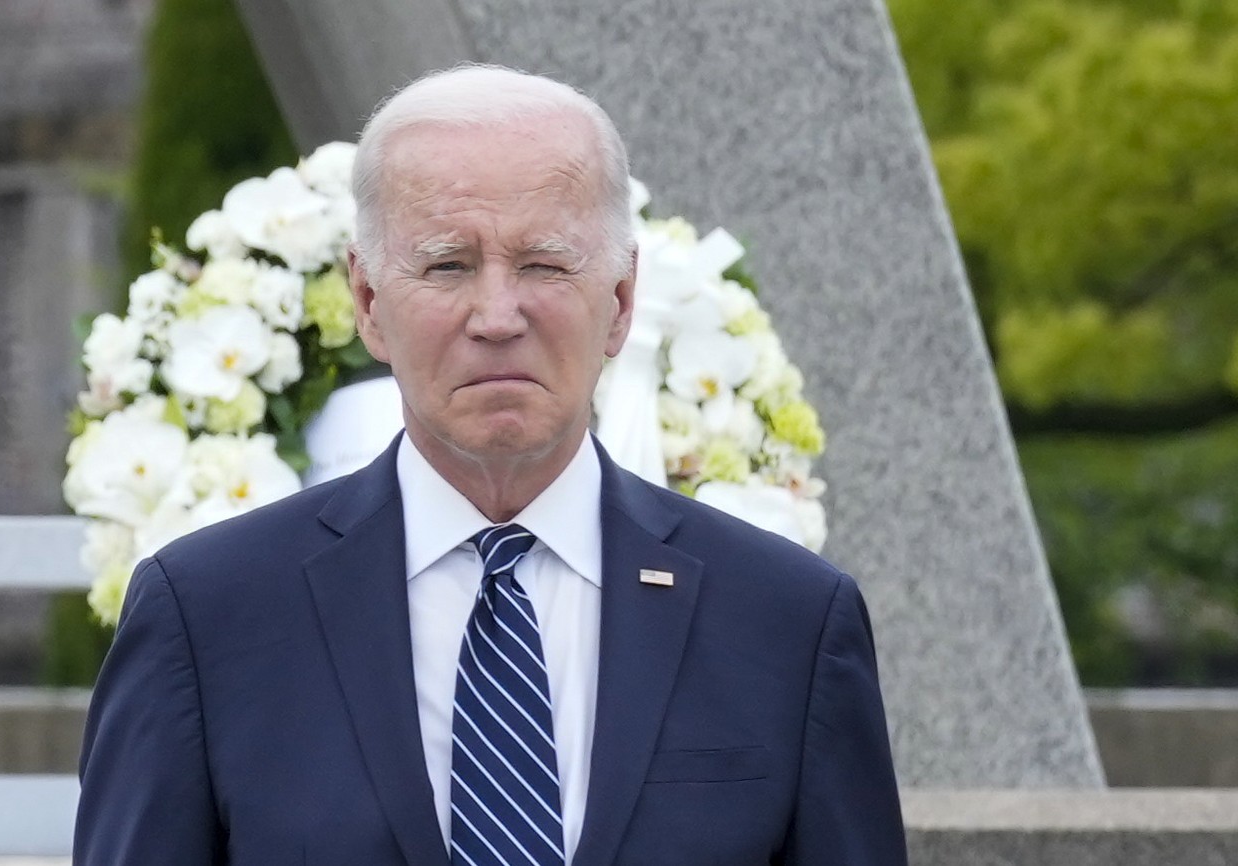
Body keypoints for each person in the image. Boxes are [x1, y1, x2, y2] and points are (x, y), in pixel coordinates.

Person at [75, 64, 907, 865]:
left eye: (544, 264)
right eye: (448, 265)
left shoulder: (787, 623)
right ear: (367, 302)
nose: (498, 315)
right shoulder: (208, 619)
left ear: (620, 302)